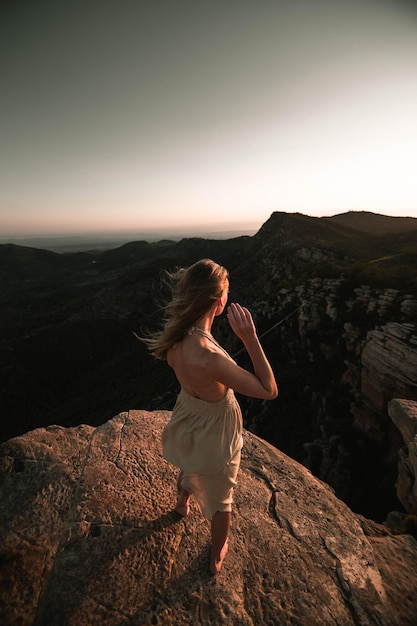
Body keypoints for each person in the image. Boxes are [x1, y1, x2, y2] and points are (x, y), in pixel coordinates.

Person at [144, 259, 278, 574]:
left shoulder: (175, 337)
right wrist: (250, 338)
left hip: (188, 409)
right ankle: (217, 555)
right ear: (220, 302)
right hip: (216, 423)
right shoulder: (211, 357)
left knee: (191, 459)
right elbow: (268, 390)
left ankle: (182, 503)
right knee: (222, 498)